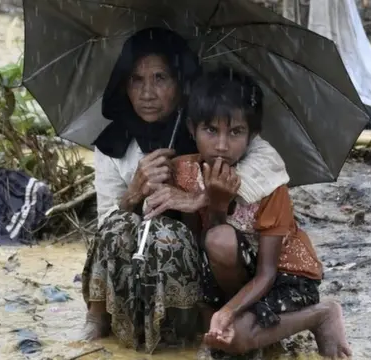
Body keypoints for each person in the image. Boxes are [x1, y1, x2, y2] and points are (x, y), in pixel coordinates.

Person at [81, 28, 291, 353]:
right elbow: (105, 223)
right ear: (124, 85)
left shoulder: (207, 128)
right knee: (116, 229)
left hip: (192, 253)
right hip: (139, 254)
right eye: (136, 80)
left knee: (170, 237)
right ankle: (98, 320)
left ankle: (181, 328)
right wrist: (133, 194)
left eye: (160, 78)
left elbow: (265, 161)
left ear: (180, 85)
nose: (147, 92)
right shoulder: (113, 143)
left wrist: (199, 197)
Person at [155, 67, 353, 358]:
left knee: (235, 338)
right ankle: (249, 324)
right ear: (191, 128)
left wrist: (226, 312)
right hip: (231, 278)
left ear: (253, 135)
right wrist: (216, 206)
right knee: (204, 324)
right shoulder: (185, 173)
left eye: (235, 132)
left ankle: (321, 314)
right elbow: (197, 249)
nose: (221, 145)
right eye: (210, 130)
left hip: (284, 278)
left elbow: (267, 273)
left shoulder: (269, 184)